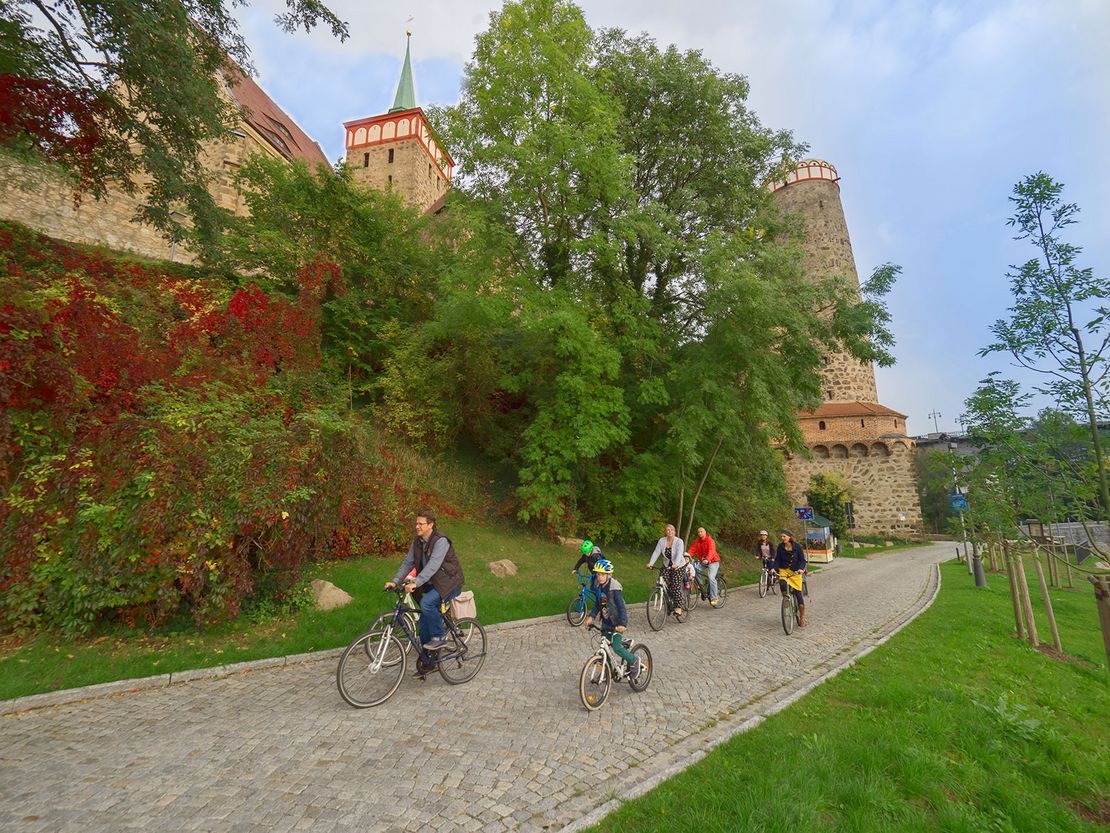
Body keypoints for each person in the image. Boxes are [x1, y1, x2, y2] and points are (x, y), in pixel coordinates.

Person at [385, 510, 465, 655]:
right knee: (423, 626)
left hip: (449, 582)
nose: (417, 526)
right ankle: (428, 660)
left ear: (431, 525)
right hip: (432, 583)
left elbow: (433, 565)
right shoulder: (417, 541)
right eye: (416, 523)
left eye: (421, 524)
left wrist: (416, 582)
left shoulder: (441, 541)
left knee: (427, 603)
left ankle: (440, 636)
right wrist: (394, 581)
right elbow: (408, 563)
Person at [584, 558, 640, 678]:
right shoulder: (599, 587)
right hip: (606, 623)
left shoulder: (614, 589)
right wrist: (591, 616)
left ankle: (634, 660)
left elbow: (621, 607)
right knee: (604, 649)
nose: (600, 577)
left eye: (603, 574)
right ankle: (606, 672)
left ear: (609, 574)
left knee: (616, 647)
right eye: (598, 574)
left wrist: (622, 624)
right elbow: (598, 604)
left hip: (616, 622)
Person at [646, 523, 687, 617]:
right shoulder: (662, 541)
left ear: (674, 532)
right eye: (668, 530)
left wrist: (675, 564)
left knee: (675, 585)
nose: (670, 532)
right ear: (665, 532)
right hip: (667, 565)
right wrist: (651, 563)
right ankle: (668, 600)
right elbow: (656, 552)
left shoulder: (679, 541)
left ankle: (678, 607)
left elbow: (679, 553)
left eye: (672, 530)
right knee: (662, 582)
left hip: (679, 565)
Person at [775, 528, 807, 627]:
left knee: (798, 594)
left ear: (789, 537)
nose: (782, 538)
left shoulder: (797, 547)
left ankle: (802, 616)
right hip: (784, 570)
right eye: (781, 536)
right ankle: (786, 599)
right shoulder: (780, 547)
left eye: (784, 536)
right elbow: (777, 560)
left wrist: (801, 569)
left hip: (796, 571)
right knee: (782, 583)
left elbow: (802, 560)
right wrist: (773, 568)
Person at [687, 526, 721, 607]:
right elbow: (692, 549)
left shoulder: (710, 541)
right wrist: (686, 557)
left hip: (713, 562)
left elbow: (711, 551)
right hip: (703, 562)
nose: (700, 533)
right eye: (698, 532)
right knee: (694, 568)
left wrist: (708, 559)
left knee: (711, 577)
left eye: (701, 531)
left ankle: (714, 597)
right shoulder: (697, 541)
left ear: (705, 532)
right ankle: (701, 585)